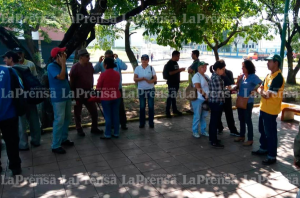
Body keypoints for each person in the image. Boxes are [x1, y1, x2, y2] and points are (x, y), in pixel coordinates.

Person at [2, 51, 41, 150]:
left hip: (19, 100)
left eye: (6, 58)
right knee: (34, 120)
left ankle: (23, 144)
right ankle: (36, 140)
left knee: (21, 123)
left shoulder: (10, 71)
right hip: (31, 97)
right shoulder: (25, 68)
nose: (4, 60)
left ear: (11, 59)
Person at [252, 54, 285, 165]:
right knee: (262, 130)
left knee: (270, 133)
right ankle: (264, 148)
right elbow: (261, 88)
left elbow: (267, 95)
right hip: (263, 108)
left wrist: (259, 90)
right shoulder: (269, 75)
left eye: (269, 61)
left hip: (271, 111)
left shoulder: (278, 78)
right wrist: (261, 91)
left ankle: (272, 156)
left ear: (276, 63)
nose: (267, 63)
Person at [70, 49, 103, 137]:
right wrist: (73, 94)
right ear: (81, 58)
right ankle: (79, 129)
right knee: (77, 113)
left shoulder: (90, 65)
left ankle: (94, 128)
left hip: (89, 92)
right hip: (78, 93)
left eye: (89, 56)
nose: (89, 58)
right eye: (87, 56)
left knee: (94, 112)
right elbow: (71, 82)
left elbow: (92, 74)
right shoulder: (75, 67)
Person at [47, 47, 74, 154]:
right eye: (63, 53)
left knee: (67, 118)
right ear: (57, 56)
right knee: (59, 120)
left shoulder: (62, 65)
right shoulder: (51, 66)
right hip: (58, 98)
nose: (65, 55)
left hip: (66, 96)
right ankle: (55, 145)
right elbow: (62, 77)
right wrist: (63, 64)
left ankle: (64, 139)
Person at [94, 50, 128, 130]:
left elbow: (125, 67)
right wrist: (99, 62)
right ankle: (112, 125)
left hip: (117, 89)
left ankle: (123, 123)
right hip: (106, 90)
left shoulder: (117, 63)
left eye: (110, 57)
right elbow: (94, 70)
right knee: (109, 109)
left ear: (113, 57)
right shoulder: (103, 64)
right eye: (106, 57)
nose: (108, 59)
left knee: (120, 108)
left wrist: (118, 59)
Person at [0, 63, 22, 175]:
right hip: (9, 113)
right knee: (12, 141)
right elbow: (20, 88)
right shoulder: (9, 71)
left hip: (9, 113)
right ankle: (15, 167)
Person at [233, 60, 262, 146]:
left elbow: (260, 83)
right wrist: (238, 81)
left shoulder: (253, 77)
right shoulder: (242, 77)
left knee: (248, 120)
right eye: (242, 67)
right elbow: (237, 87)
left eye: (244, 67)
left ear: (248, 68)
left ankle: (250, 139)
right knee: (241, 119)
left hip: (248, 102)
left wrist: (254, 90)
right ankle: (242, 135)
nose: (242, 68)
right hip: (240, 100)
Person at [96, 58, 121, 139]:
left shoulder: (103, 74)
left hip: (106, 97)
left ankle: (108, 134)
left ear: (105, 65)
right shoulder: (117, 74)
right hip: (116, 96)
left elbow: (98, 87)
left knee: (108, 116)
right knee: (116, 115)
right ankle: (116, 133)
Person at [134, 54, 157, 128]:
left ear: (148, 60)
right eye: (142, 59)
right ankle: (142, 123)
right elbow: (135, 79)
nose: (144, 60)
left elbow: (155, 78)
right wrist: (142, 78)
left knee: (151, 106)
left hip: (150, 89)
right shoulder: (137, 68)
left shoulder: (151, 68)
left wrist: (149, 81)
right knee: (142, 106)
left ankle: (151, 122)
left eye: (145, 59)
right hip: (141, 90)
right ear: (141, 60)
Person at [217, 60, 239, 136]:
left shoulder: (229, 73)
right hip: (219, 96)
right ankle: (219, 127)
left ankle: (232, 129)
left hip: (226, 95)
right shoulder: (217, 73)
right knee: (218, 113)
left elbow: (231, 83)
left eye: (222, 67)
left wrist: (224, 75)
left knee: (229, 113)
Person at [208, 61, 226, 148]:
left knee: (213, 121)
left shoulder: (213, 76)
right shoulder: (218, 78)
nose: (224, 71)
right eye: (223, 69)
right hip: (217, 102)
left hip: (212, 101)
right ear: (218, 69)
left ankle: (212, 138)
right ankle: (214, 141)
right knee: (215, 122)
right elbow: (220, 92)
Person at [191, 61, 210, 138]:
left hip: (205, 99)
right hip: (198, 98)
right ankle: (195, 131)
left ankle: (203, 130)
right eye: (203, 67)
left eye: (205, 67)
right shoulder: (196, 76)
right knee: (197, 115)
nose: (205, 68)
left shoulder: (206, 76)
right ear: (198, 68)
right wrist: (205, 95)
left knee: (204, 116)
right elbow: (198, 87)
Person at [165, 50, 185, 118]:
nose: (179, 57)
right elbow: (170, 73)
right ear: (174, 56)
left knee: (173, 97)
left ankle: (174, 110)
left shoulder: (175, 63)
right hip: (171, 83)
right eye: (178, 56)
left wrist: (179, 70)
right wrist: (179, 70)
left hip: (176, 82)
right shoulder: (169, 63)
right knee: (170, 97)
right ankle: (167, 111)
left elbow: (175, 72)